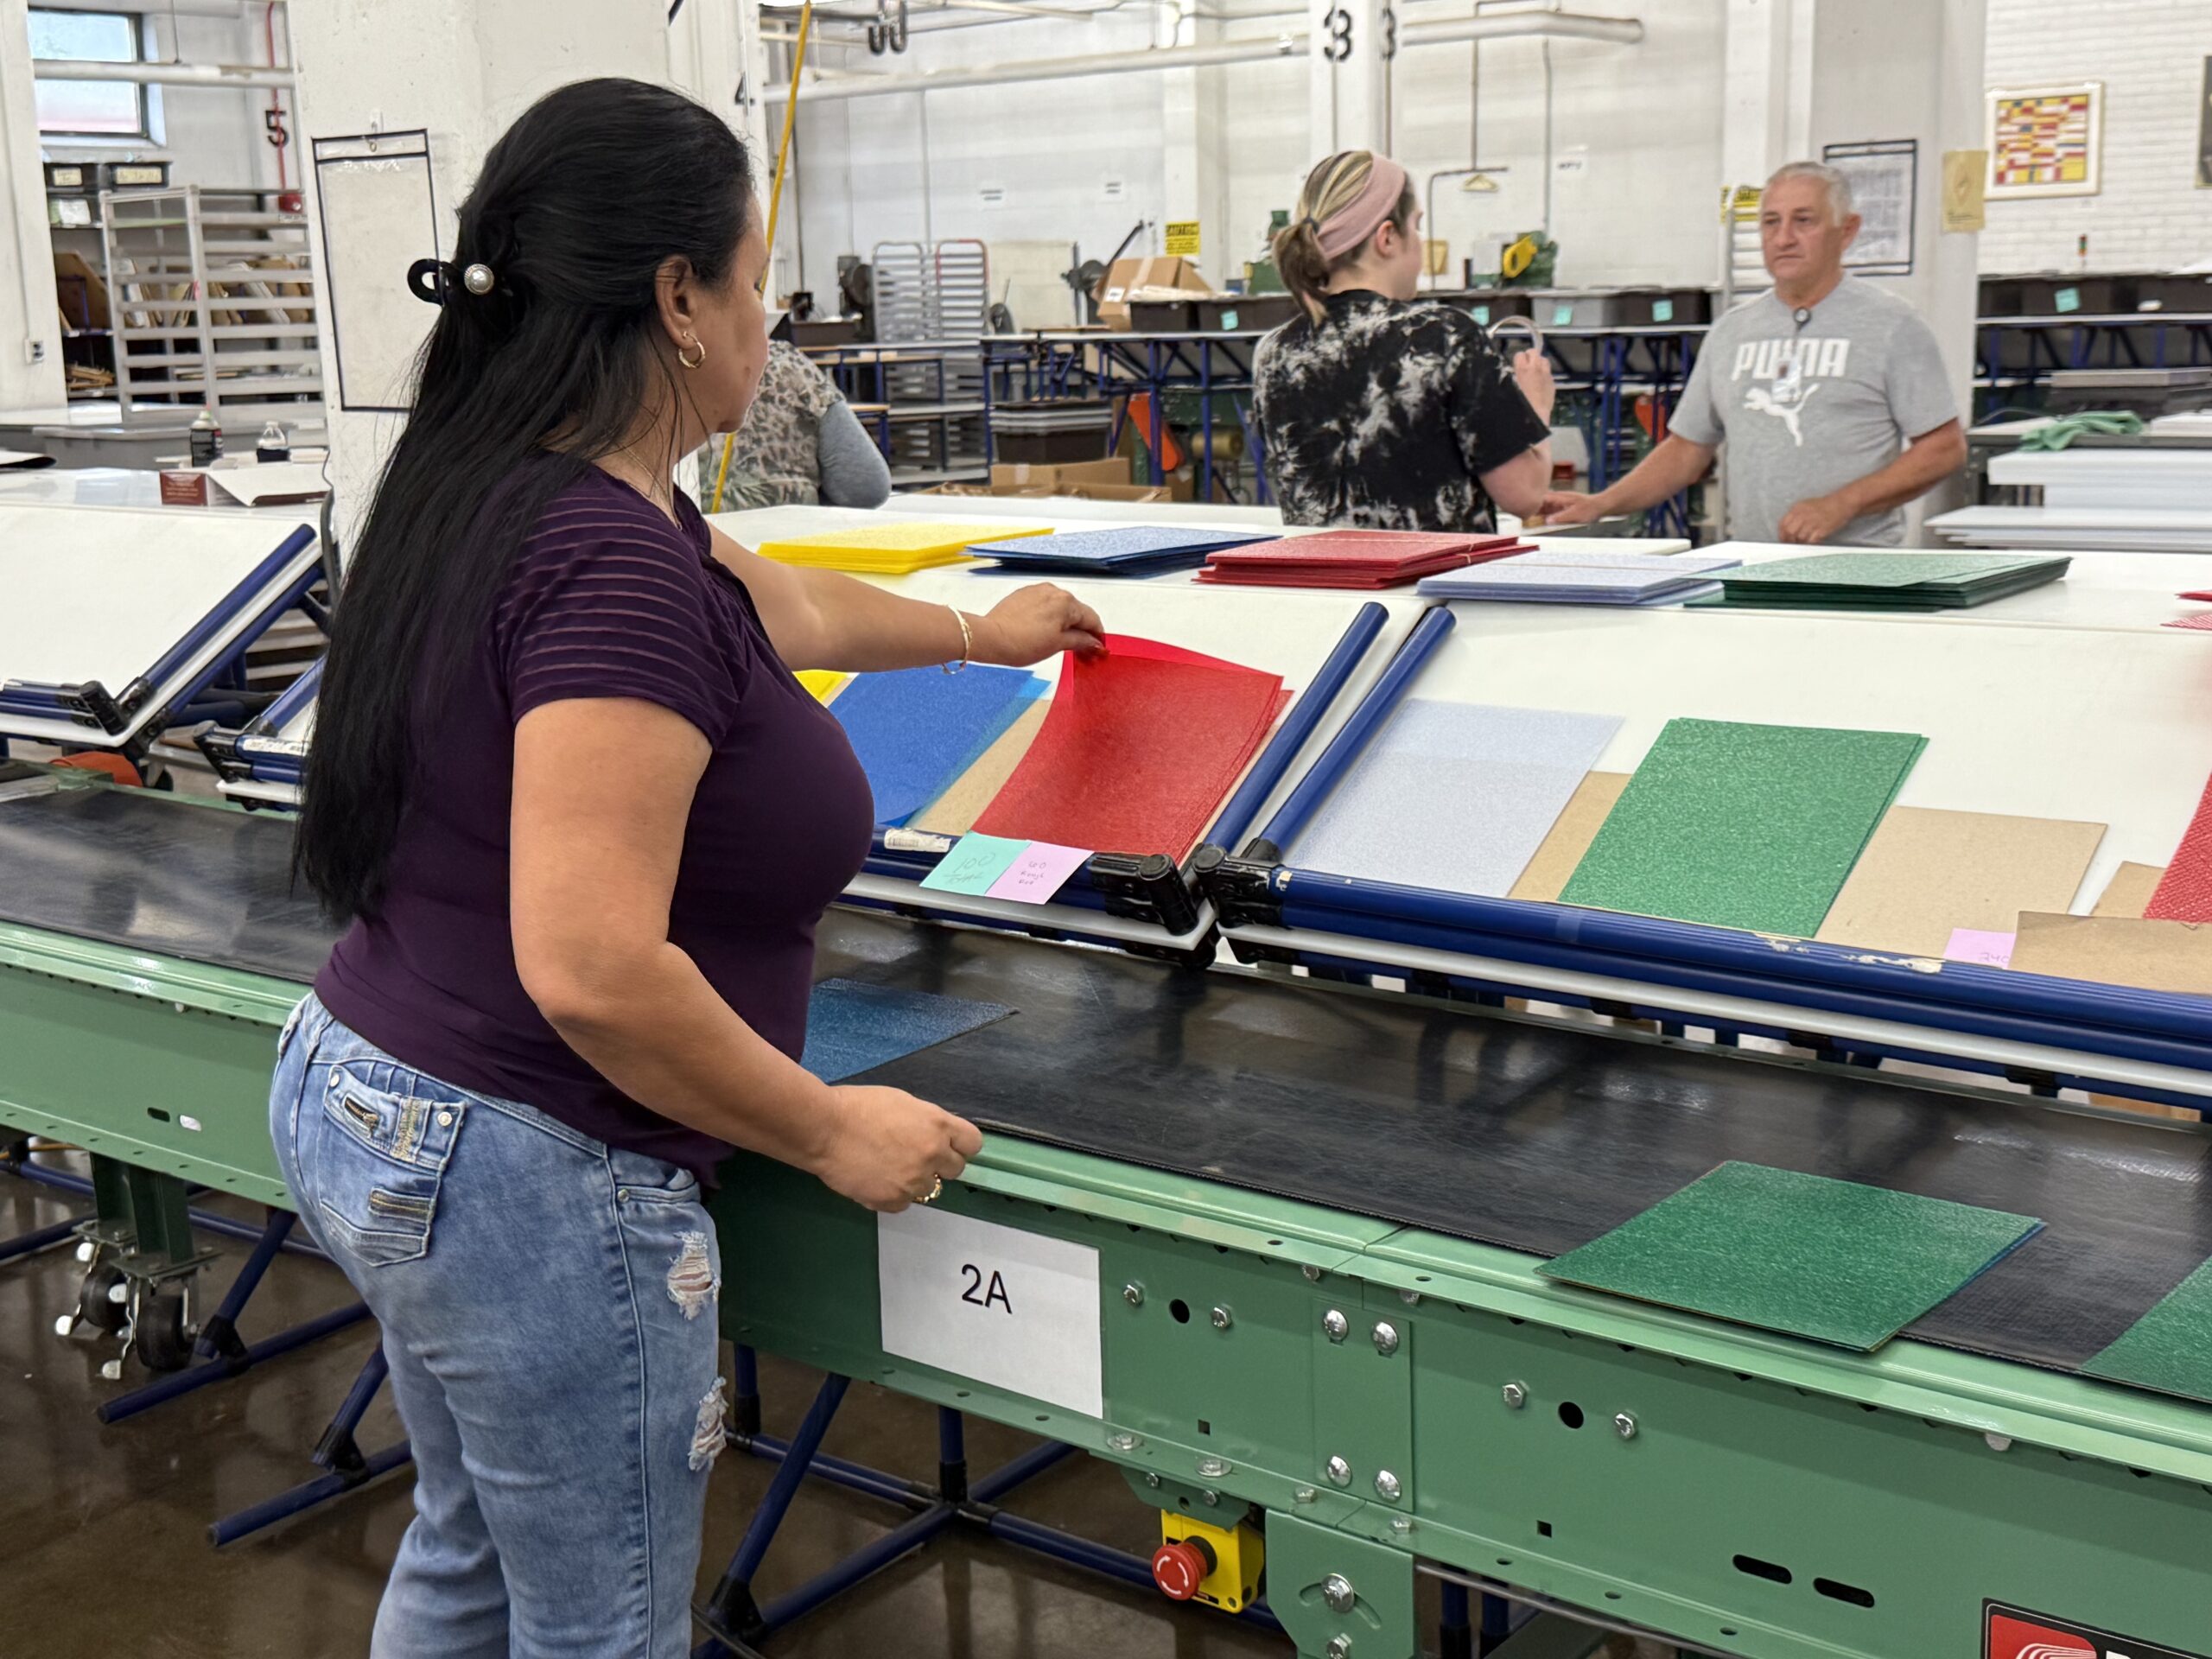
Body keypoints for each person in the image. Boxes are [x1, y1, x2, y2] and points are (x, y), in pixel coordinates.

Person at [278, 79, 1103, 1659]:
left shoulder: (523, 479)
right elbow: (590, 964)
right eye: (755, 281)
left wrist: (978, 633)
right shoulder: (609, 568)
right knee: (605, 1630)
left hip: (375, 1084)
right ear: (677, 299)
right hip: (529, 1164)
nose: (768, 321)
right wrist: (825, 1127)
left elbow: (781, 606)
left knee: (466, 1551)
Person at [1539, 161, 1967, 544]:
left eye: (1804, 221)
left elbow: (1944, 447)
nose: (1784, 238)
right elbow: (1687, 449)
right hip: (1754, 563)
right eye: (1770, 222)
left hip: (1857, 567)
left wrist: (1843, 504)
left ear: (1847, 231)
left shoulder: (1893, 325)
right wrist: (1603, 503)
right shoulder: (1731, 332)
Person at [1253, 149, 1555, 531]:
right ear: (1387, 237)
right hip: (1430, 587)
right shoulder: (1444, 337)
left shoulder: (1275, 352)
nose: (1420, 242)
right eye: (1416, 225)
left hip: (1324, 587)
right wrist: (1536, 405)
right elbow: (1524, 495)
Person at [715, 337, 892, 508]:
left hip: (707, 533)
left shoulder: (692, 366)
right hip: (791, 532)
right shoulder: (785, 362)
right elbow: (866, 486)